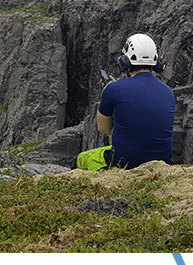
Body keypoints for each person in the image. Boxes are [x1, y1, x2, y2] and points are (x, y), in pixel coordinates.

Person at [75, 33, 175, 171]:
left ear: (125, 61)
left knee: (80, 159)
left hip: (124, 165)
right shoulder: (168, 92)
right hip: (161, 166)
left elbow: (103, 128)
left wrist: (107, 92)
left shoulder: (113, 89)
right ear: (156, 61)